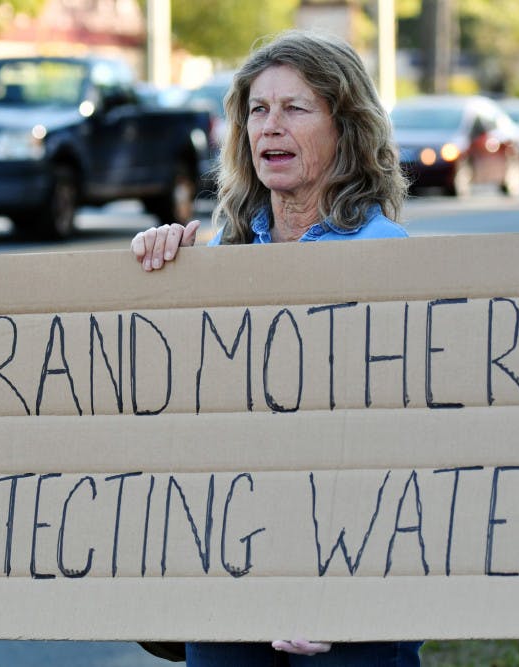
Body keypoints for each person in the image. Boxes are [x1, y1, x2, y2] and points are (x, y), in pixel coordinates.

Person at [131, 30, 420, 666]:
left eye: (295, 108)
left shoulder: (391, 261)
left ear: (345, 128)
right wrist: (159, 275)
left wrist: (350, 598)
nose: (270, 127)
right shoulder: (214, 262)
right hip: (230, 579)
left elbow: (413, 454)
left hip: (353, 589)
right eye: (258, 111)